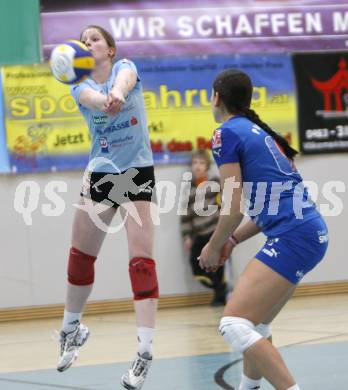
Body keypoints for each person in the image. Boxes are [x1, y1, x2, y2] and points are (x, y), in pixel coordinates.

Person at [198, 69, 328, 390]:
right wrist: (231, 238)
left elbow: (233, 205)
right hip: (310, 231)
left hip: (293, 235)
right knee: (256, 324)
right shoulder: (261, 132)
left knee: (233, 323)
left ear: (216, 97)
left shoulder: (226, 133)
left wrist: (213, 245)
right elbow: (266, 207)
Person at [57, 25, 158, 390]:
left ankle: (144, 352)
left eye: (95, 39)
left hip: (135, 173)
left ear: (111, 50)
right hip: (101, 173)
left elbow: (125, 81)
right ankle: (71, 328)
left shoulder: (124, 68)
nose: (88, 43)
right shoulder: (78, 84)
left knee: (141, 262)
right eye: (83, 40)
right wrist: (105, 101)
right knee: (80, 257)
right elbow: (91, 99)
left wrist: (116, 92)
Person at [180, 149, 228, 306]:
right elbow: (185, 216)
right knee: (196, 265)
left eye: (201, 163)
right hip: (199, 235)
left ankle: (219, 294)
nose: (198, 166)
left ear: (207, 166)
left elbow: (227, 201)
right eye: (195, 163)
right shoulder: (188, 190)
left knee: (217, 265)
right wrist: (187, 236)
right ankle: (220, 288)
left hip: (215, 232)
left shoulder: (215, 182)